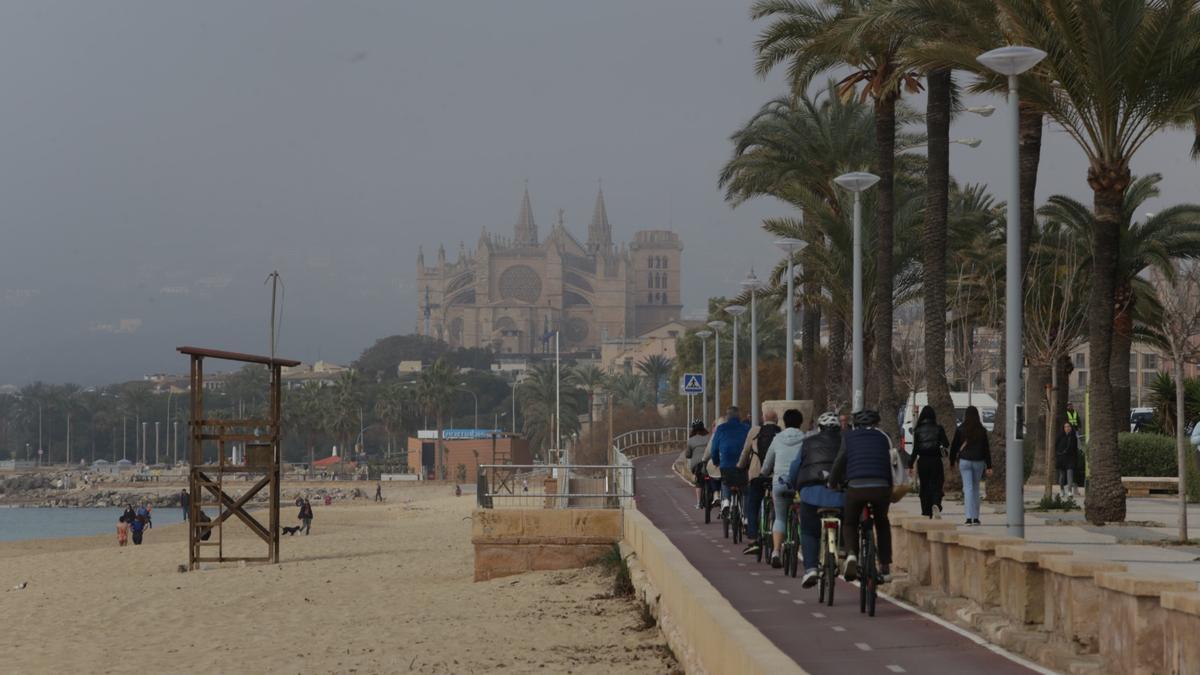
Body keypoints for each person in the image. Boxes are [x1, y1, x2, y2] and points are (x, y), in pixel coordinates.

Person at [828, 409, 894, 582]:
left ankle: (851, 555)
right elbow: (891, 462)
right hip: (881, 486)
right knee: (882, 523)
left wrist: (832, 483)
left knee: (850, 522)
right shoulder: (884, 437)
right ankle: (885, 566)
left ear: (855, 424)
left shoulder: (848, 437)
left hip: (856, 486)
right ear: (876, 424)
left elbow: (840, 462)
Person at [785, 411, 844, 587]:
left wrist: (793, 485)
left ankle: (810, 568)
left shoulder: (808, 442)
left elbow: (795, 467)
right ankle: (845, 552)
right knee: (848, 521)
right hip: (840, 494)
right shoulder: (845, 442)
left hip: (811, 494)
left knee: (809, 531)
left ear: (819, 428)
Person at [760, 409, 805, 568]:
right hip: (799, 484)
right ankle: (805, 551)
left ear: (784, 423)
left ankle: (776, 551)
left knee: (779, 517)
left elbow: (767, 463)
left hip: (779, 483)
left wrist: (764, 472)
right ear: (801, 423)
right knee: (804, 515)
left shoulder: (777, 439)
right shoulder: (806, 439)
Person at [737, 409, 781, 554]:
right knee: (778, 505)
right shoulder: (781, 432)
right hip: (775, 475)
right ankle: (777, 536)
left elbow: (745, 452)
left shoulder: (754, 431)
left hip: (757, 474)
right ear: (776, 420)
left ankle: (753, 540)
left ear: (763, 418)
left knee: (753, 504)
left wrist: (740, 466)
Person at [701, 407, 751, 519]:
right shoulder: (746, 428)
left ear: (727, 417)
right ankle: (746, 517)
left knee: (725, 481)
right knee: (745, 490)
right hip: (741, 464)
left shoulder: (721, 429)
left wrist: (716, 461)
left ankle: (726, 501)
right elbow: (749, 447)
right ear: (739, 417)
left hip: (726, 463)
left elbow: (714, 448)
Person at [950, 405, 992, 526]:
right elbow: (986, 449)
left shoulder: (960, 429)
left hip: (965, 461)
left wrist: (952, 462)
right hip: (978, 461)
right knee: (976, 489)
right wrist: (989, 466)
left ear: (965, 416)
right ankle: (976, 518)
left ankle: (968, 518)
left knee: (967, 489)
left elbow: (954, 447)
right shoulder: (982, 430)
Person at [909, 406, 950, 519]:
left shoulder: (918, 430)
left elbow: (915, 449)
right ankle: (936, 504)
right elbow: (946, 443)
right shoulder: (938, 428)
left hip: (923, 461)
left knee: (925, 486)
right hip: (936, 461)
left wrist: (910, 464)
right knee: (937, 484)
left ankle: (926, 511)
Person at [685, 420, 710, 509]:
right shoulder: (709, 437)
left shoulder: (691, 440)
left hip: (697, 465)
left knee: (698, 483)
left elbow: (687, 455)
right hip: (709, 462)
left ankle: (699, 503)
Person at [1055, 422, 1079, 497]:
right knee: (1062, 476)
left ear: (1071, 428)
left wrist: (1075, 459)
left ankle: (1069, 491)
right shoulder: (1060, 436)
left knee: (1070, 475)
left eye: (1068, 426)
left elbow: (1075, 450)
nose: (1067, 428)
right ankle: (1062, 490)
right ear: (1063, 428)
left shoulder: (1073, 437)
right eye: (1065, 427)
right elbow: (1056, 447)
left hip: (1070, 459)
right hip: (1061, 459)